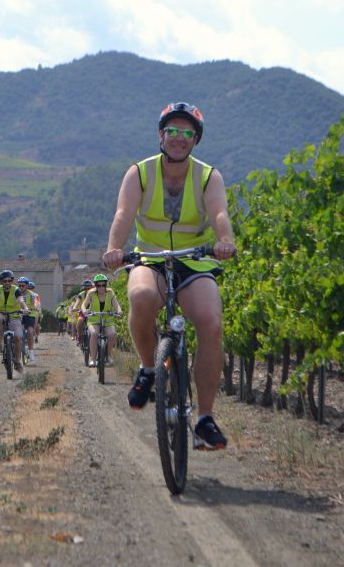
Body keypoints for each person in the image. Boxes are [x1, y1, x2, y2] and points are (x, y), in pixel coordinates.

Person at [102, 102, 237, 450]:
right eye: (173, 131)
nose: (179, 138)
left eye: (187, 133)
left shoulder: (208, 176)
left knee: (211, 322)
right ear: (161, 135)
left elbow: (219, 213)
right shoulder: (140, 172)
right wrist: (115, 248)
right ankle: (149, 370)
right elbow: (123, 214)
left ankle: (205, 419)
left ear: (195, 139)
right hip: (150, 257)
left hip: (194, 260)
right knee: (141, 298)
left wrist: (225, 240)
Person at [0, 269, 30, 371]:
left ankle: (18, 362)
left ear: (12, 281)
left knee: (18, 338)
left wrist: (25, 308)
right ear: (1, 281)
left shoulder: (16, 290)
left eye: (9, 280)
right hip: (2, 313)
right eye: (5, 281)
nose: (7, 283)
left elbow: (20, 300)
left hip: (15, 314)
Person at [80, 273, 123, 367]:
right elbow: (84, 304)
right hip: (94, 319)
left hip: (108, 319)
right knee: (94, 334)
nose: (101, 287)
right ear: (95, 286)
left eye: (103, 285)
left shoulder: (110, 292)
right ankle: (93, 359)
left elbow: (116, 304)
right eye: (99, 285)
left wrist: (119, 311)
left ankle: (108, 355)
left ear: (106, 285)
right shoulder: (91, 293)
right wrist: (84, 311)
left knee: (112, 335)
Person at [16, 277, 37, 363]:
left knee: (30, 331)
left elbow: (35, 301)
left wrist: (35, 306)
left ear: (27, 286)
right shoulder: (16, 293)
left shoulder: (31, 294)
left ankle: (31, 351)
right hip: (17, 314)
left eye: (23, 285)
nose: (21, 287)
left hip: (29, 315)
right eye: (19, 285)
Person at [73, 279, 94, 347]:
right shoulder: (81, 295)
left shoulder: (95, 294)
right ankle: (80, 337)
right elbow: (77, 303)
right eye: (86, 288)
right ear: (83, 289)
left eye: (89, 288)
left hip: (93, 312)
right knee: (80, 321)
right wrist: (75, 308)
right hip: (82, 312)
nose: (87, 289)